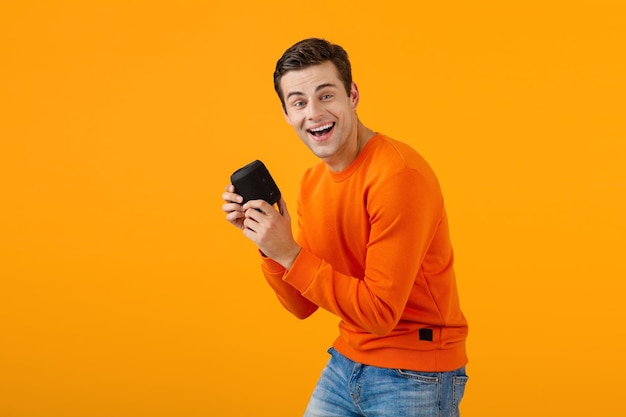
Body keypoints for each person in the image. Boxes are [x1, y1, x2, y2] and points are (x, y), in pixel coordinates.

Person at [222, 38, 469, 417]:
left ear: (352, 94)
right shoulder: (311, 183)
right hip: (347, 362)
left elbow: (380, 314)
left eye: (326, 95)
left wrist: (289, 251)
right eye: (299, 102)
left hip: (416, 372)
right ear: (287, 114)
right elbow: (302, 305)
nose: (314, 113)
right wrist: (270, 246)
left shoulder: (398, 176)